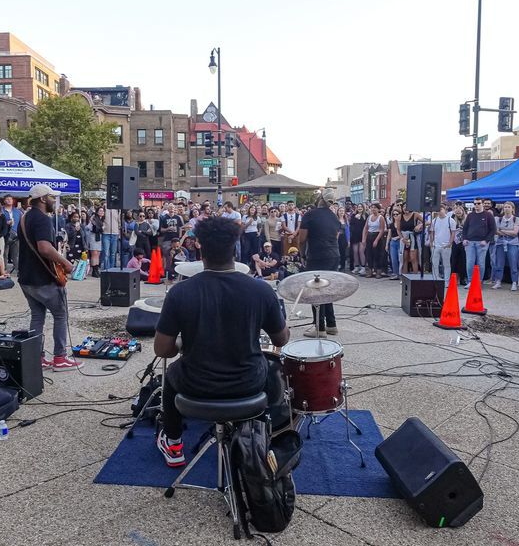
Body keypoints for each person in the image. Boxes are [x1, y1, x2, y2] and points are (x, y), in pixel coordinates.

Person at [153, 215, 289, 467]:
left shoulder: (180, 293)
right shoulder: (260, 290)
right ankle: (261, 439)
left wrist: (184, 343)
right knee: (269, 366)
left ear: (199, 247)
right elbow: (282, 339)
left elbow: (162, 350)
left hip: (196, 385)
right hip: (249, 383)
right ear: (235, 247)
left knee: (172, 371)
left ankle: (173, 444)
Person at [18, 184, 82, 372]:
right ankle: (60, 357)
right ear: (43, 199)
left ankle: (37, 357)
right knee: (60, 314)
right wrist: (66, 263)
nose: (55, 200)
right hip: (42, 278)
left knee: (37, 317)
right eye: (52, 197)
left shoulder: (24, 218)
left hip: (26, 278)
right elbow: (44, 248)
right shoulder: (42, 219)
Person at [299, 194, 341, 338]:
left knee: (316, 291)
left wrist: (302, 255)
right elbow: (335, 237)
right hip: (334, 255)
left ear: (320, 199)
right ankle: (331, 325)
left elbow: (302, 238)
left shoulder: (310, 215)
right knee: (327, 290)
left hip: (318, 256)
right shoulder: (334, 216)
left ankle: (319, 328)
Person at [461, 199, 496, 286]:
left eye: (478, 203)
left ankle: (478, 282)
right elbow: (465, 228)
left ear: (482, 204)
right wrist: (464, 239)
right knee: (469, 262)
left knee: (481, 263)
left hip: (482, 243)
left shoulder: (488, 215)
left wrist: (486, 240)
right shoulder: (470, 215)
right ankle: (470, 281)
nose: (476, 205)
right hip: (470, 242)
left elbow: (493, 230)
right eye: (475, 203)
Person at [429, 203, 457, 287]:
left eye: (440, 209)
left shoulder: (450, 220)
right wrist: (431, 243)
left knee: (446, 264)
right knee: (435, 264)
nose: (439, 212)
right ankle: (436, 279)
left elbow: (453, 233)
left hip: (446, 246)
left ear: (444, 210)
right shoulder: (434, 220)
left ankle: (446, 281)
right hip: (436, 245)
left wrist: (450, 243)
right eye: (438, 210)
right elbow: (432, 233)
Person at [362, 203, 385, 278]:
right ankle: (370, 271)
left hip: (377, 235)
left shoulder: (381, 218)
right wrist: (364, 239)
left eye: (375, 208)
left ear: (378, 209)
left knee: (378, 254)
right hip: (369, 236)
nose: (373, 209)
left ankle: (378, 271)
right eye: (372, 207)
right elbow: (365, 228)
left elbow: (382, 230)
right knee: (368, 254)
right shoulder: (369, 217)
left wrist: (376, 240)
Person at [1, 195, 22, 273]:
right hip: (5, 234)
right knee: (4, 254)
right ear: (4, 201)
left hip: (16, 235)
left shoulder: (18, 211)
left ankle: (19, 271)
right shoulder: (1, 211)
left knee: (16, 254)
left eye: (10, 199)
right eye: (7, 199)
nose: (9, 200)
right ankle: (4, 270)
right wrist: (6, 223)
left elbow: (21, 223)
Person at [349, 203, 367, 275]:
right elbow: (351, 224)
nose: (359, 208)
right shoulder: (353, 215)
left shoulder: (366, 216)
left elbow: (366, 226)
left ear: (363, 208)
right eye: (358, 207)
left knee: (361, 251)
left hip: (362, 236)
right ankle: (356, 266)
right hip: (355, 236)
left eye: (361, 206)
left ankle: (363, 267)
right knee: (355, 251)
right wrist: (356, 218)